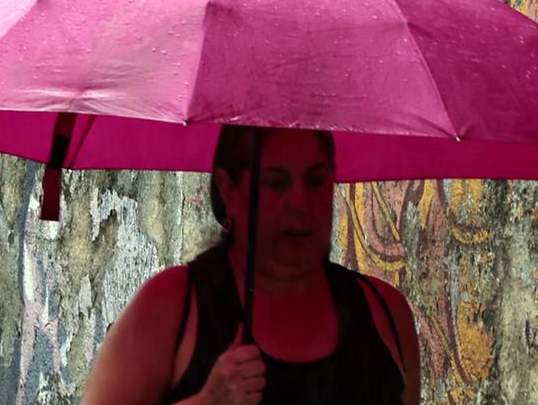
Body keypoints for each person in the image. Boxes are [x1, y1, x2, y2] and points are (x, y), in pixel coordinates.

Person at [83, 127, 421, 405]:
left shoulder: (385, 312)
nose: (300, 203)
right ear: (229, 191)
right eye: (275, 182)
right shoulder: (171, 306)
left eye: (316, 181)